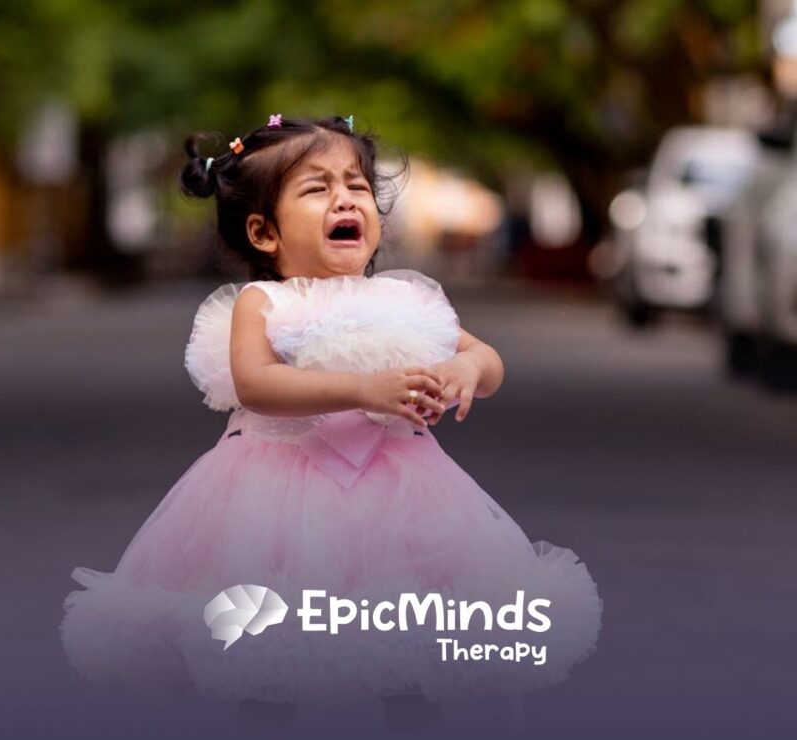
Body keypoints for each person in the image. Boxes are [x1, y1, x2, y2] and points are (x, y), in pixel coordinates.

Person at [59, 114, 602, 739]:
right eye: (316, 188)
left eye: (357, 185)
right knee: (270, 660)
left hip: (408, 508)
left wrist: (464, 368)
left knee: (410, 659)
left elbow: (489, 361)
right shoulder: (264, 305)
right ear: (264, 232)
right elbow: (257, 385)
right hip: (275, 504)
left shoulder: (406, 299)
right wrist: (361, 389)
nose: (345, 197)